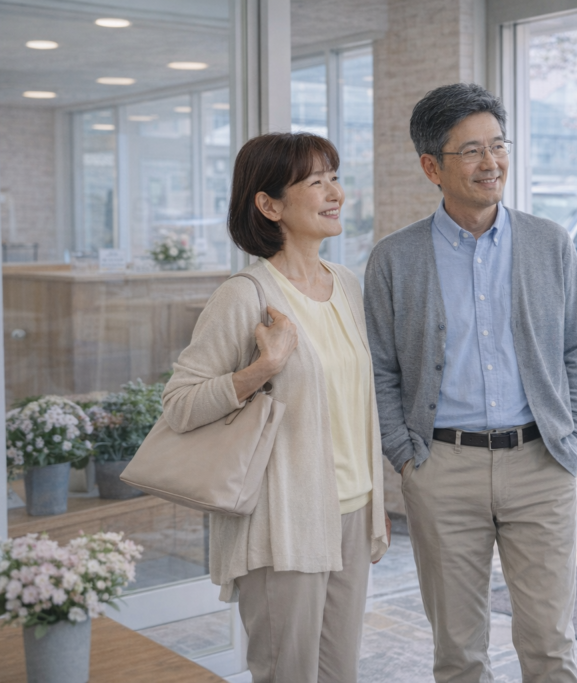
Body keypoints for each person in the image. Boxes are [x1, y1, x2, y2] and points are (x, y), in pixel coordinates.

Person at [364, 83, 577, 683]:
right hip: (441, 466)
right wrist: (405, 454)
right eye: (470, 151)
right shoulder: (395, 258)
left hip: (540, 463)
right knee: (459, 651)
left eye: (498, 146)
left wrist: (572, 438)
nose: (491, 163)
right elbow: (380, 368)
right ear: (431, 167)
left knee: (550, 643)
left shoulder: (549, 242)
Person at [162, 132, 390, 683]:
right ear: (269, 205)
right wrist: (261, 369)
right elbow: (179, 405)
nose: (335, 192)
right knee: (287, 673)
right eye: (316, 182)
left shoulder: (349, 286)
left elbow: (360, 404)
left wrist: (376, 502)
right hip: (284, 519)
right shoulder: (244, 295)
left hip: (353, 511)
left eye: (335, 177)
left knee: (340, 674)